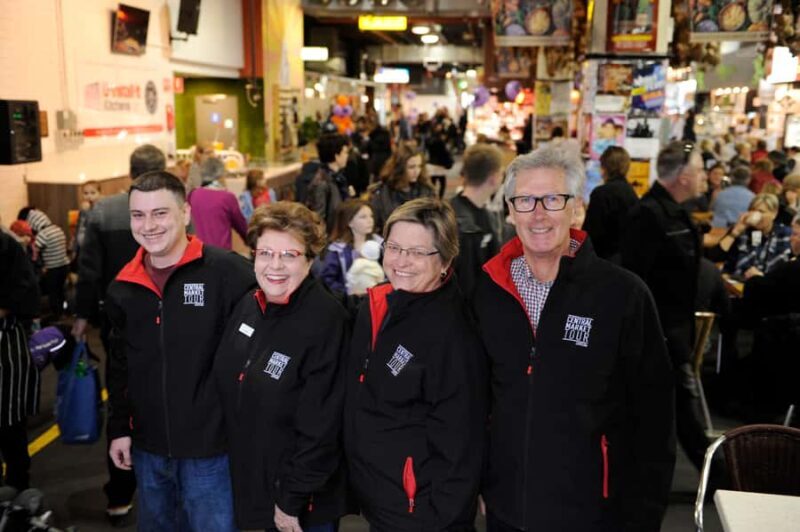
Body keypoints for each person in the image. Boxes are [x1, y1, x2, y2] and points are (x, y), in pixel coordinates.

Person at [473, 146, 674, 531]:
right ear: (510, 211)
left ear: (576, 208)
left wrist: (643, 515)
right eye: (526, 200)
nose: (539, 214)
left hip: (594, 514)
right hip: (506, 509)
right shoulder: (488, 290)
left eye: (553, 199)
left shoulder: (623, 295)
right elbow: (479, 399)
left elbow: (654, 420)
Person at [105, 171, 255, 532]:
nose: (148, 225)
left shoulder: (227, 272)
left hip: (211, 450)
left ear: (185, 213)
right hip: (148, 448)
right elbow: (119, 366)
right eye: (138, 215)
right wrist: (118, 429)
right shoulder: (123, 287)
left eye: (160, 213)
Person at [344, 198, 487, 531]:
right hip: (380, 499)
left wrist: (443, 517)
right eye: (394, 247)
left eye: (418, 252)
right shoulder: (381, 303)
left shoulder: (453, 334)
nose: (401, 261)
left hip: (421, 512)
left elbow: (462, 443)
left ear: (445, 260)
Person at [213, 202, 350, 532]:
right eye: (265, 253)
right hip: (254, 486)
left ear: (310, 259)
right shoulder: (250, 303)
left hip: (300, 502)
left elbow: (322, 427)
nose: (275, 265)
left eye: (289, 255)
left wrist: (291, 501)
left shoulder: (326, 321)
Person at [72, 143, 166, 525]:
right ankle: (165, 478)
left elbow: (88, 272)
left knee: (122, 401)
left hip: (116, 322)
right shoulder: (170, 211)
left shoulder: (103, 212)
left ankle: (119, 495)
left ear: (130, 172)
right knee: (166, 393)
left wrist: (80, 318)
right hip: (165, 318)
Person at [620, 140, 708, 473]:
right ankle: (720, 476)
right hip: (661, 333)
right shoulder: (648, 215)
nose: (704, 177)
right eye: (699, 170)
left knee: (672, 410)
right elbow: (636, 280)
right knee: (679, 409)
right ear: (683, 175)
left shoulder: (679, 213)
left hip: (676, 329)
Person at [0, 231, 40, 492]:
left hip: (6, 347)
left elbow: (26, 293)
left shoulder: (5, 245)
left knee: (10, 428)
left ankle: (17, 492)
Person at [449, 143, 504, 297]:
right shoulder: (463, 226)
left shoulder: (484, 213)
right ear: (493, 178)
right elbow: (466, 284)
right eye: (501, 173)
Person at [711, 193, 793, 279]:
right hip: (736, 283)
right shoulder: (742, 231)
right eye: (753, 210)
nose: (756, 214)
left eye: (761, 211)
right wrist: (735, 232)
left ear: (774, 214)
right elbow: (715, 257)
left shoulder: (785, 235)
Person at [582, 146, 639, 262]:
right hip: (627, 259)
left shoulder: (601, 193)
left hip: (604, 260)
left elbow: (592, 234)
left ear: (604, 168)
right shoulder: (631, 192)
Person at [320, 199, 383, 297]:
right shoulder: (338, 250)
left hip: (377, 298)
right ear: (349, 222)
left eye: (371, 216)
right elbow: (328, 280)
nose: (370, 220)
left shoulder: (379, 244)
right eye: (363, 217)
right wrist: (348, 292)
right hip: (348, 303)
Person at [369, 143, 436, 232]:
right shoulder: (382, 192)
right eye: (411, 167)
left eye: (419, 166)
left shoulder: (427, 190)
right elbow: (374, 223)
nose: (417, 171)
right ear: (400, 168)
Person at [187, 157, 248, 250]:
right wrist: (252, 242)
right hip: (220, 255)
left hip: (196, 252)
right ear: (221, 175)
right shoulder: (227, 197)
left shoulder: (193, 195)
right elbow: (241, 226)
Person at [25, 209, 69, 318]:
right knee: (61, 290)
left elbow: (35, 252)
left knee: (53, 291)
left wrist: (30, 246)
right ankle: (64, 311)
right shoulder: (57, 229)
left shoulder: (43, 234)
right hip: (64, 265)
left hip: (52, 267)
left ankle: (56, 314)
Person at [306, 133, 352, 232]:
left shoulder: (338, 178)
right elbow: (318, 220)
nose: (347, 156)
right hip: (330, 240)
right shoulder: (322, 183)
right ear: (336, 156)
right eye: (345, 152)